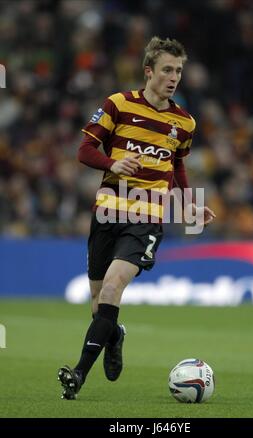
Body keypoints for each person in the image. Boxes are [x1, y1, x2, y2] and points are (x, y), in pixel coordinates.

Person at [58, 36, 216, 400]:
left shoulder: (184, 122)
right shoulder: (118, 104)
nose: (173, 77)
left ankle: (78, 374)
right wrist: (112, 162)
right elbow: (84, 150)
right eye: (166, 70)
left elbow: (176, 165)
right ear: (149, 71)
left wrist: (188, 204)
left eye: (178, 71)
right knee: (99, 303)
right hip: (109, 210)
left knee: (113, 287)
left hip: (147, 216)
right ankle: (115, 336)